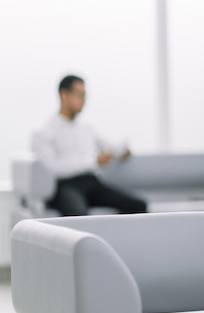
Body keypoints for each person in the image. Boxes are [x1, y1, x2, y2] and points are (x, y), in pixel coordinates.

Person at [31, 74, 147, 216]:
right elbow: (52, 169)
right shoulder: (45, 131)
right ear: (64, 94)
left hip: (91, 183)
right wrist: (93, 161)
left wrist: (121, 152)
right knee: (78, 213)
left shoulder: (86, 128)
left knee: (138, 205)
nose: (83, 100)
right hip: (65, 187)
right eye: (79, 95)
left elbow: (109, 146)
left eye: (84, 95)